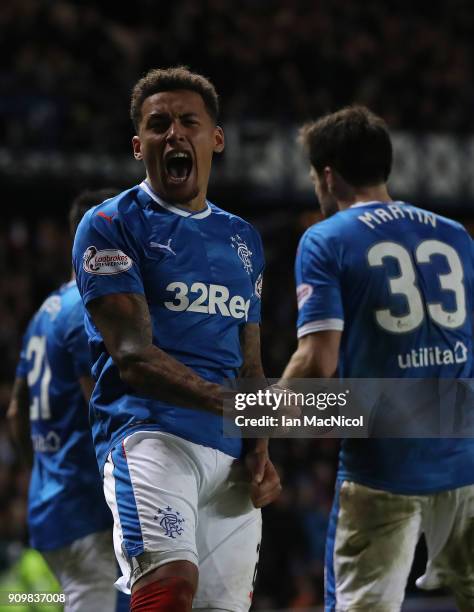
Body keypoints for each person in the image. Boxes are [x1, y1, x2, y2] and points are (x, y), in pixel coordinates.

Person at [72, 66, 281, 612]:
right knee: (168, 587)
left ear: (216, 138)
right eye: (159, 124)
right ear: (139, 146)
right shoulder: (110, 223)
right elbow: (133, 358)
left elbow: (249, 359)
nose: (174, 133)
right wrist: (232, 405)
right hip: (150, 434)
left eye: (189, 121)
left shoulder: (243, 238)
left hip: (232, 456)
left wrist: (259, 444)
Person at [281, 106, 474, 611]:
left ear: (327, 176)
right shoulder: (455, 234)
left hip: (383, 466)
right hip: (465, 457)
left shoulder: (326, 239)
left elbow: (316, 364)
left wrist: (255, 415)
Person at [7, 189, 121, 611]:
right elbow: (107, 408)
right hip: (87, 508)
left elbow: (17, 411)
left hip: (50, 504)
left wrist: (40, 472)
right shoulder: (88, 311)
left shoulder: (47, 309)